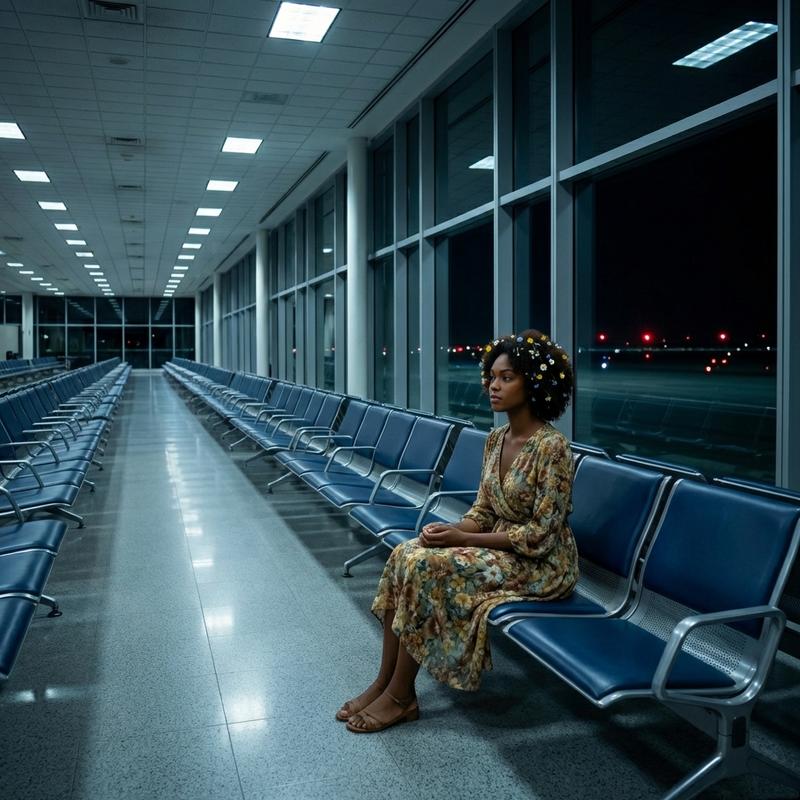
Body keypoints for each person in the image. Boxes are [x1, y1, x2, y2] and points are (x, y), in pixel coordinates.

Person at [338, 330, 579, 733]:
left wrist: (463, 539)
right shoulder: (496, 439)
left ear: (534, 384)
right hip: (500, 548)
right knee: (406, 553)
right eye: (493, 377)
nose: (494, 386)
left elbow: (540, 535)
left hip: (542, 564)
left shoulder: (551, 446)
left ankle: (401, 696)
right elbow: (483, 511)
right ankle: (383, 681)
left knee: (428, 569)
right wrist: (450, 529)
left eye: (507, 378)